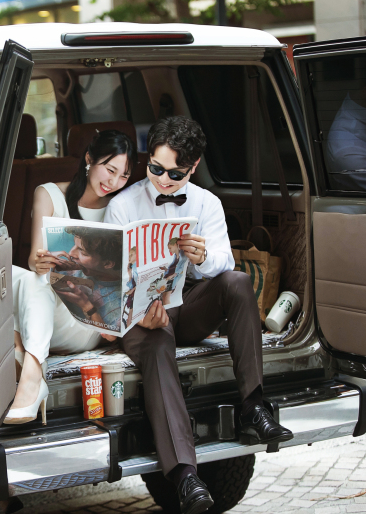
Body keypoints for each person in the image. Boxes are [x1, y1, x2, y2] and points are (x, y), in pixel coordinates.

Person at [104, 116, 293, 514]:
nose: (163, 180)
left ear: (193, 167)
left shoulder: (207, 202)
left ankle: (254, 404)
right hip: (137, 315)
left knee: (237, 282)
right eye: (155, 169)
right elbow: (110, 283)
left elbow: (223, 260)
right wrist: (141, 313)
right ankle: (186, 476)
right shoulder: (122, 206)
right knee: (157, 342)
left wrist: (203, 256)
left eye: (175, 173)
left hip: (186, 305)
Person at [6, 130, 138, 425]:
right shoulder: (49, 194)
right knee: (18, 275)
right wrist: (41, 262)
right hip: (47, 306)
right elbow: (34, 261)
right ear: (90, 159)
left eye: (123, 176)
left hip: (88, 322)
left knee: (32, 285)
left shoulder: (122, 208)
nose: (113, 183)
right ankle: (32, 368)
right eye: (110, 169)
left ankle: (25, 363)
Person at [160, 237, 186, 305]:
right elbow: (173, 267)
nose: (169, 250)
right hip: (169, 278)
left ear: (175, 245)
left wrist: (172, 276)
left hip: (172, 279)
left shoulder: (183, 256)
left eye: (170, 248)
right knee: (164, 296)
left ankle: (168, 312)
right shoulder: (175, 255)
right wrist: (166, 269)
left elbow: (180, 270)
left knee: (167, 297)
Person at [122, 247, 138, 328]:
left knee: (131, 311)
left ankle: (128, 325)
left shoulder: (137, 267)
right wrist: (129, 274)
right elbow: (131, 283)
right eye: (128, 255)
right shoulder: (132, 267)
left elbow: (138, 283)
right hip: (132, 292)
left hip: (135, 293)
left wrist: (132, 290)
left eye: (131, 255)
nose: (129, 258)